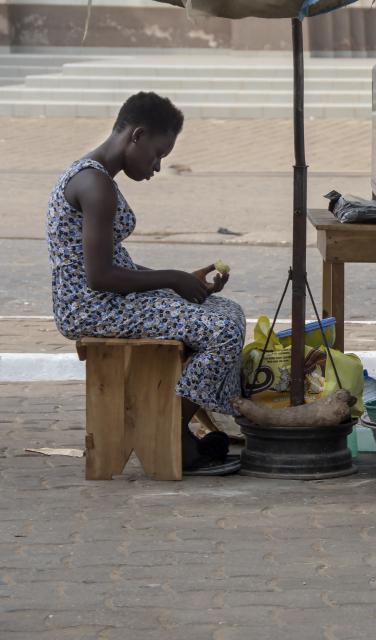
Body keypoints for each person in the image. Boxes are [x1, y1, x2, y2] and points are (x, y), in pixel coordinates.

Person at [47, 91, 246, 474]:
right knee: (223, 328)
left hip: (107, 300)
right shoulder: (95, 184)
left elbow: (108, 267)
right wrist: (171, 279)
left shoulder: (94, 175)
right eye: (157, 154)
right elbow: (99, 276)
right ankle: (168, 427)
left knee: (227, 310)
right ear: (136, 135)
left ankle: (175, 425)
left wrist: (180, 283)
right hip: (94, 308)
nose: (156, 166)